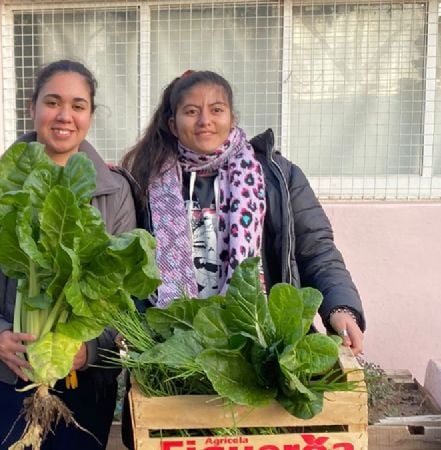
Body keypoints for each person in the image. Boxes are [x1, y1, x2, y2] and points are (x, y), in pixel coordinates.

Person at [120, 70, 366, 445]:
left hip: (259, 351)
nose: (205, 120)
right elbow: (125, 266)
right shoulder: (142, 182)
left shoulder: (277, 176)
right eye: (191, 111)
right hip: (173, 357)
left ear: (232, 117)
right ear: (171, 123)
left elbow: (317, 248)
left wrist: (341, 308)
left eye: (216, 109)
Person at [0, 60, 135, 450]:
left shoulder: (115, 192)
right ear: (33, 107)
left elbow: (125, 288)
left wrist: (91, 348)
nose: (65, 116)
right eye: (53, 102)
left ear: (90, 116)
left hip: (85, 381)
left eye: (78, 106)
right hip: (9, 377)